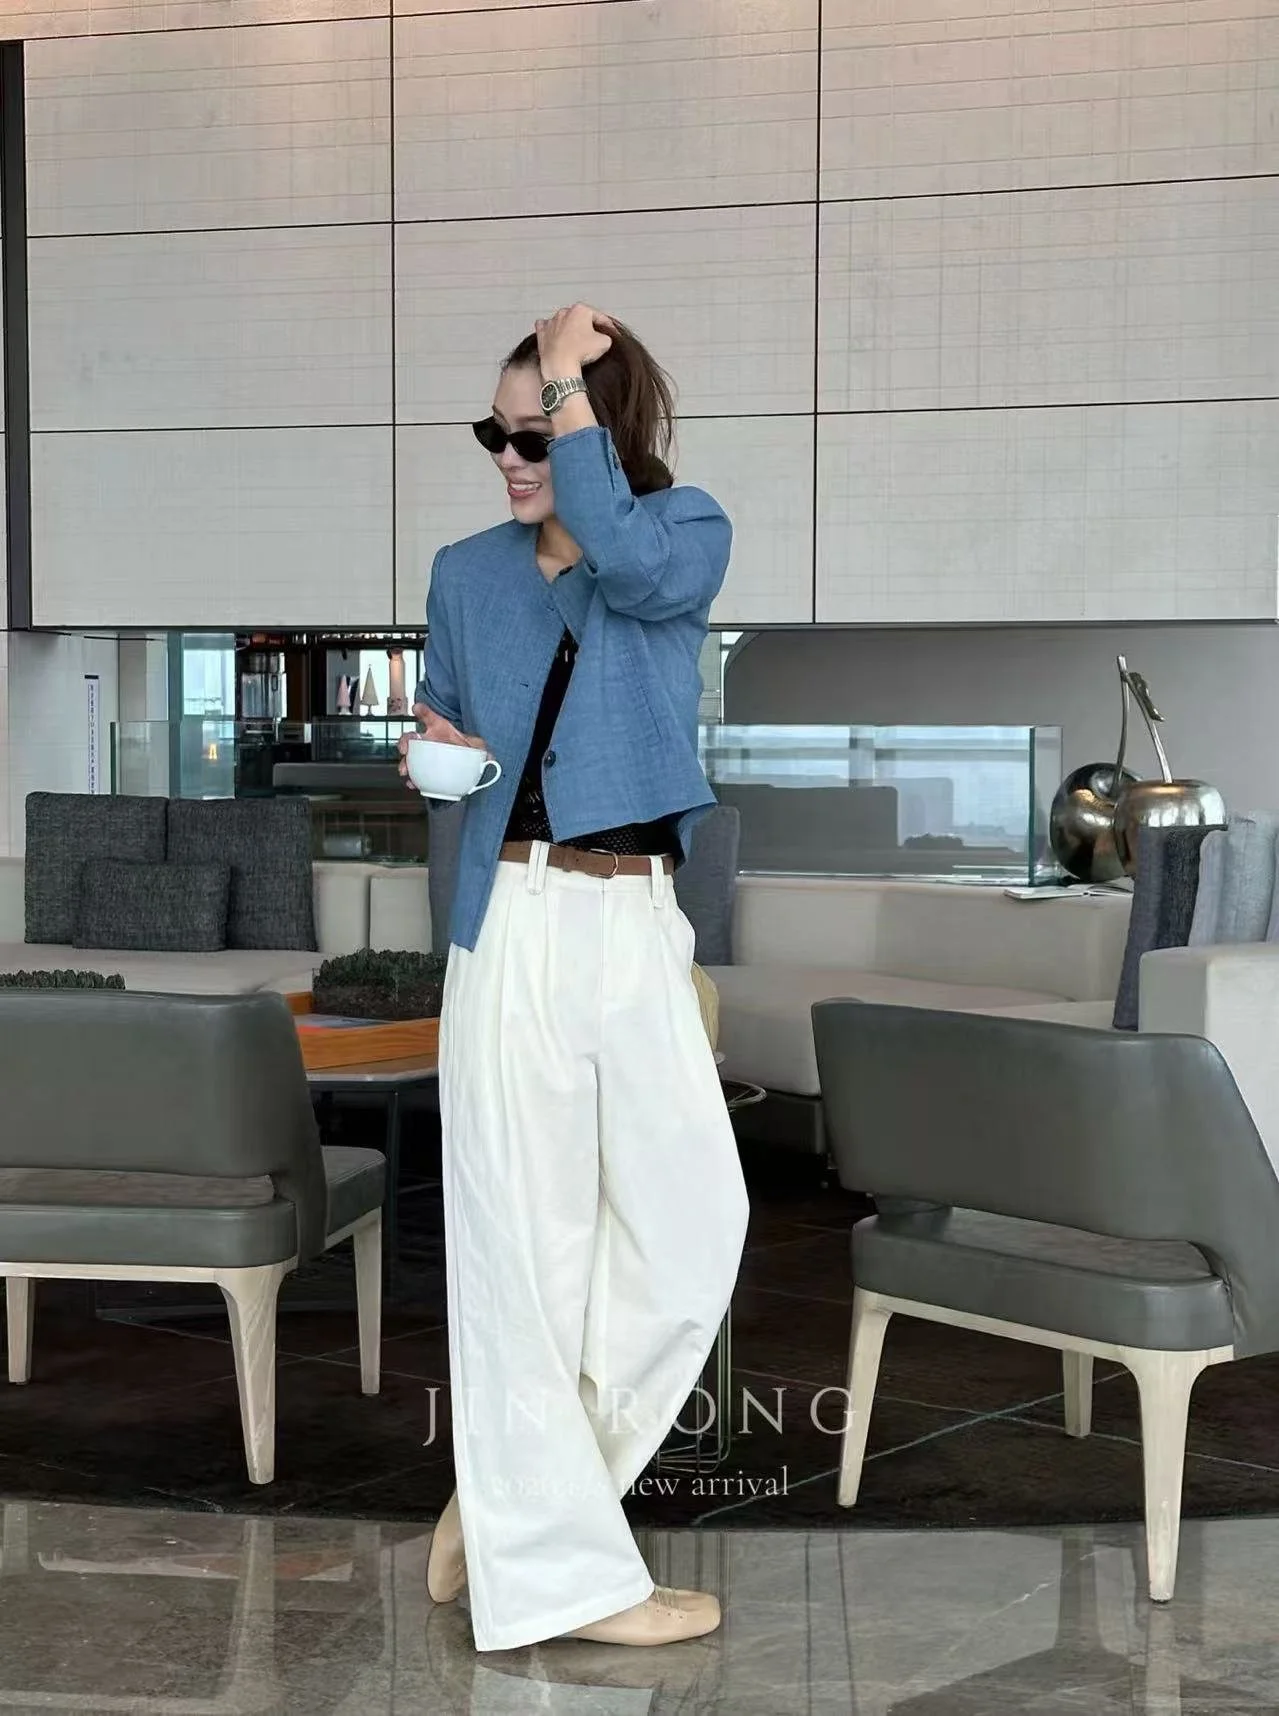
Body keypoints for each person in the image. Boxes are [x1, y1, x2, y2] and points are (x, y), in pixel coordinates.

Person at [399, 305, 750, 1653]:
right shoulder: (464, 570)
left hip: (637, 921)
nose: (508, 456)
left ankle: (514, 1505)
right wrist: (431, 748)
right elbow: (451, 721)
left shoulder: (682, 532)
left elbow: (631, 571)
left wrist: (568, 380)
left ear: (599, 423)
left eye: (534, 430)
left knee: (690, 1229)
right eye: (494, 433)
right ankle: (569, 1579)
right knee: (524, 1252)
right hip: (515, 921)